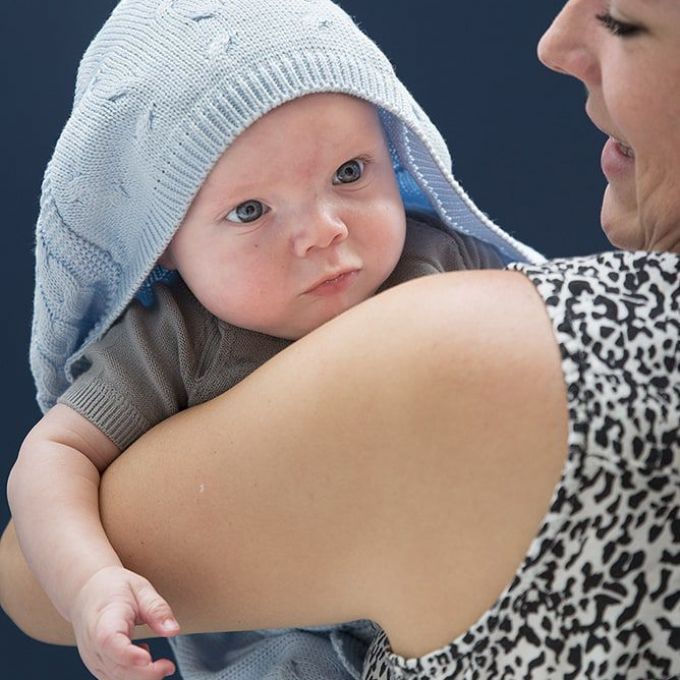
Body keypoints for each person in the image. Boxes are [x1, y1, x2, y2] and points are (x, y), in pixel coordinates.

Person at [2, 0, 679, 678]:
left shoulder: (441, 264)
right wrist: (88, 579)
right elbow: (55, 456)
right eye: (249, 210)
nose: (324, 228)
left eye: (351, 173)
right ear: (161, 249)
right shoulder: (174, 340)